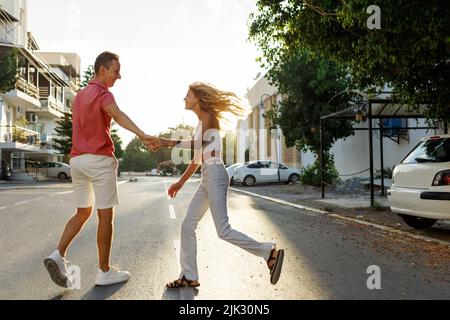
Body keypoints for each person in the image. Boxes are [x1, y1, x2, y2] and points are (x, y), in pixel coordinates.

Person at [43, 51, 158, 288]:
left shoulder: (80, 96)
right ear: (102, 70)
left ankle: (58, 253)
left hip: (77, 161)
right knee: (105, 216)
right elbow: (118, 115)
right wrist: (142, 134)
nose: (119, 76)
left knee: (82, 211)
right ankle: (104, 272)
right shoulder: (102, 94)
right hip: (98, 161)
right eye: (116, 71)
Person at [153, 82, 284, 288]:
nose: (184, 98)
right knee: (188, 225)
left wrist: (167, 141)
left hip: (215, 173)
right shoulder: (199, 123)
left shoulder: (209, 117)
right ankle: (189, 275)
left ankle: (269, 252)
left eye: (187, 95)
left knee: (223, 230)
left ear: (197, 98)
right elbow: (197, 158)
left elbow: (198, 145)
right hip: (207, 174)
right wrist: (180, 182)